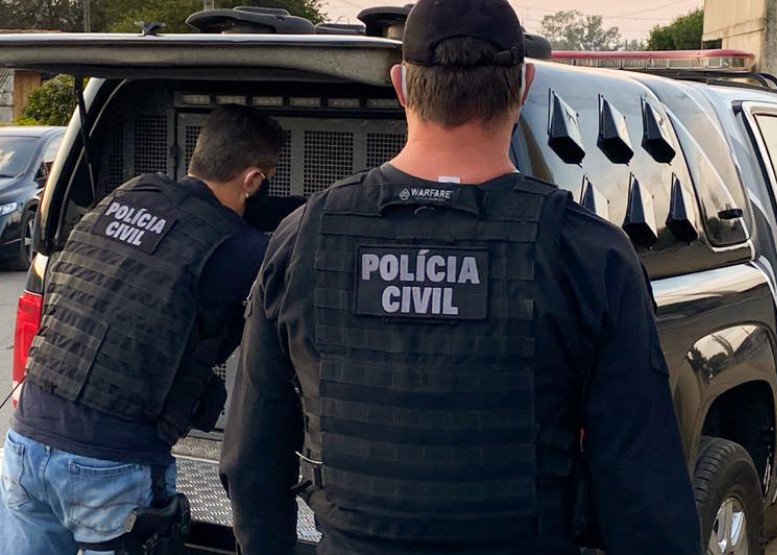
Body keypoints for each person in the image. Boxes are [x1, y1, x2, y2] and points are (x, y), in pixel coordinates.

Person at [219, 0, 702, 553]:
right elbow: (643, 492)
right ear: (524, 85)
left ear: (402, 86)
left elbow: (251, 460)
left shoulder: (301, 238)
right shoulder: (591, 254)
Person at [0, 105, 283, 554]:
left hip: (26, 441)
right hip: (111, 466)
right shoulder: (238, 248)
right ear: (252, 180)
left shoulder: (129, 193)